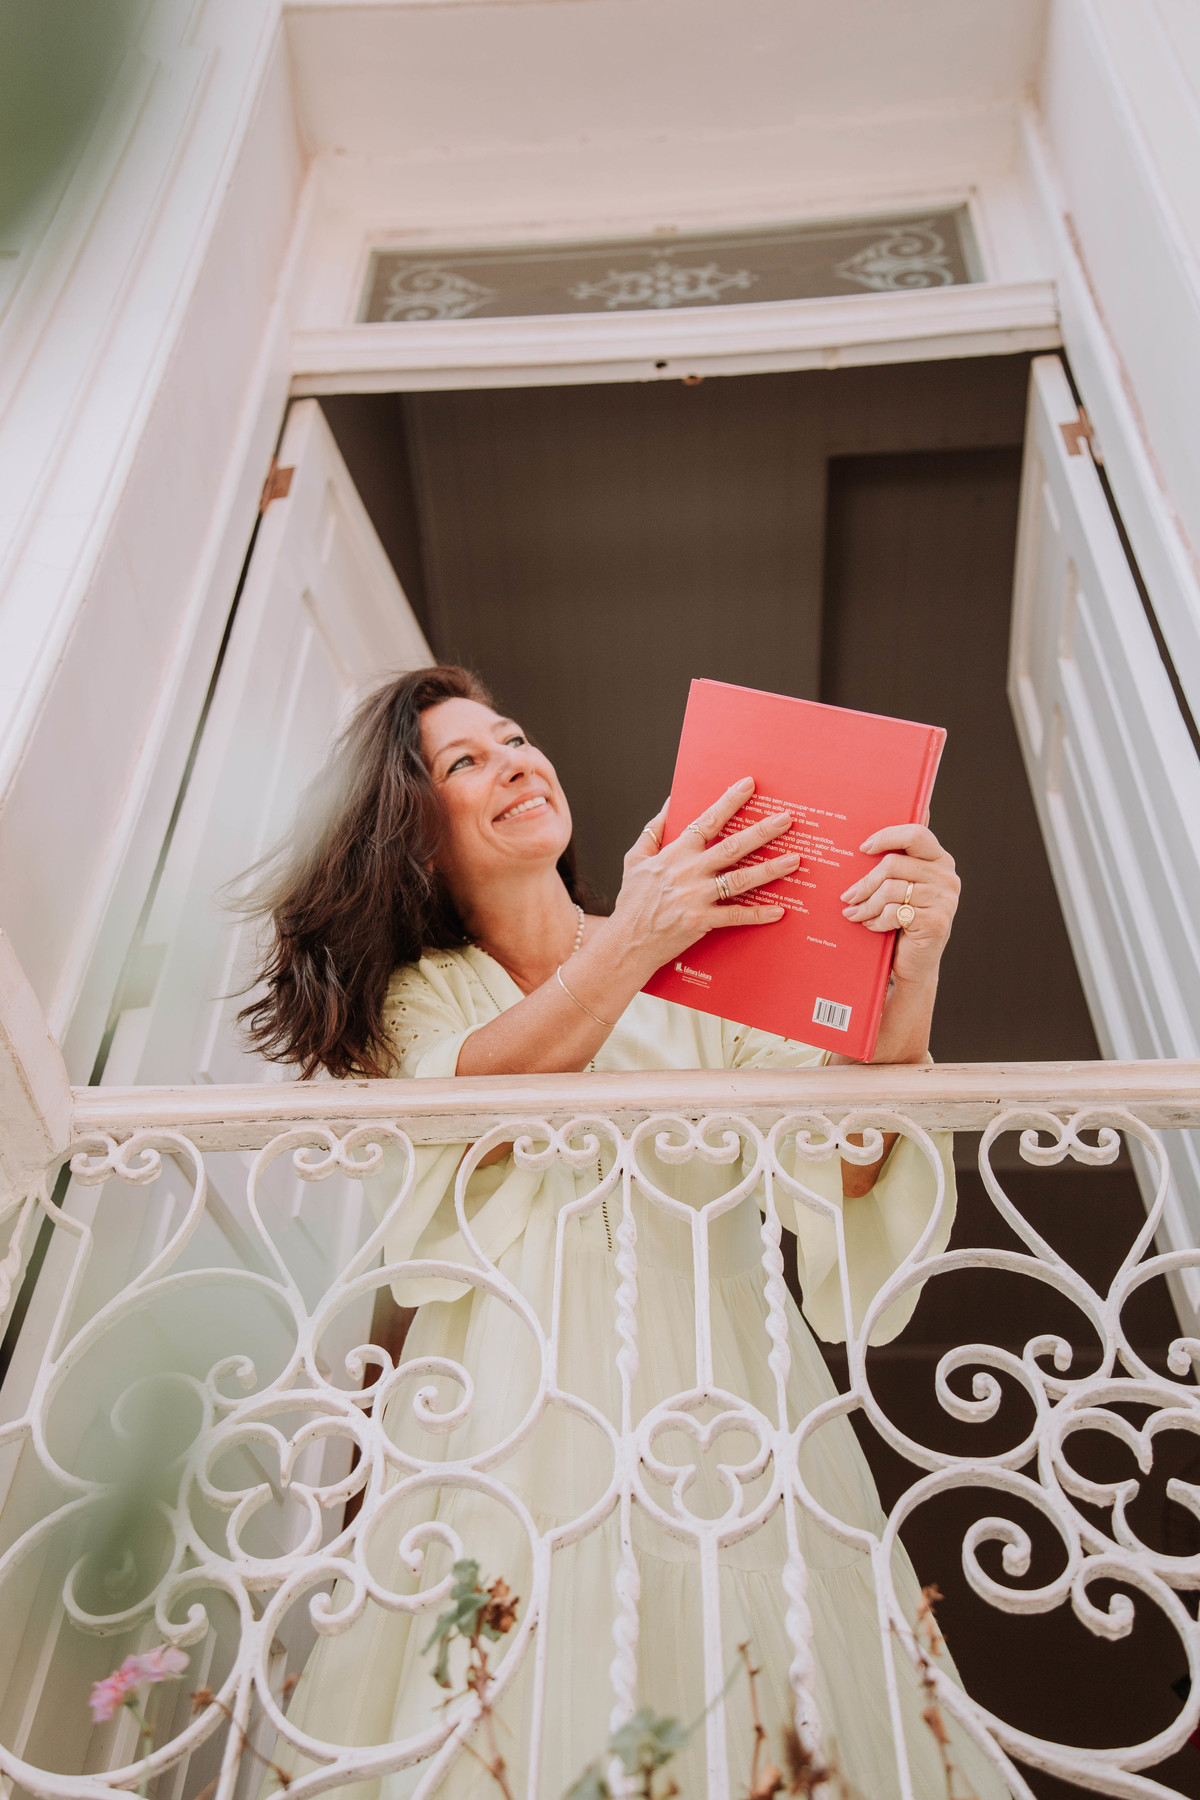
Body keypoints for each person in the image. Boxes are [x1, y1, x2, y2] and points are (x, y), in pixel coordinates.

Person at [243, 665, 1004, 1800]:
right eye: (465, 762)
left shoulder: (706, 978)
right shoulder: (427, 996)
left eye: (513, 737)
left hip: (722, 1397)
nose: (512, 760)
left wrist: (915, 969)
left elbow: (845, 1154)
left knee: (752, 1664)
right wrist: (638, 937)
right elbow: (477, 1102)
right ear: (415, 834)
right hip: (509, 1407)